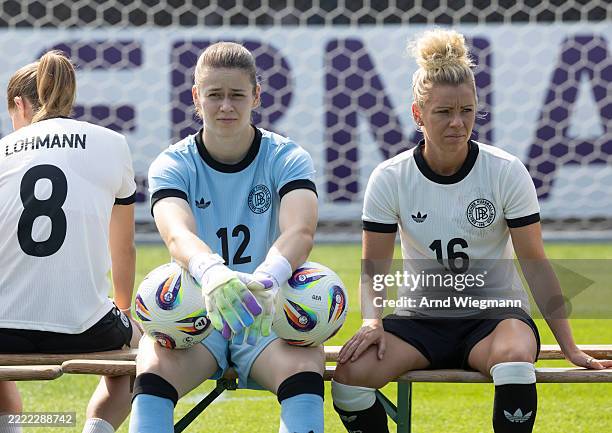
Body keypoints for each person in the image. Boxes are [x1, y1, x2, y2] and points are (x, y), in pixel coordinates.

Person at [331, 29, 612, 433]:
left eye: (467, 109)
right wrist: (373, 320)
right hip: (419, 322)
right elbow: (374, 268)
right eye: (443, 112)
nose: (458, 123)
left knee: (515, 357)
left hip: (494, 320)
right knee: (350, 377)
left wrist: (568, 346)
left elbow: (535, 263)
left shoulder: (505, 171)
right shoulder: (390, 177)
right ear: (417, 114)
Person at [129, 42, 322, 433]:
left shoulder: (287, 157)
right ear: (196, 97)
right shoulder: (173, 162)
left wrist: (267, 278)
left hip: (265, 311)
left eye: (237, 95)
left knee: (305, 366)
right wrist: (213, 273)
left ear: (257, 95)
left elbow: (300, 229)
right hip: (197, 311)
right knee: (152, 366)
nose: (226, 107)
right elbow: (176, 233)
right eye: (214, 95)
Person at [0, 51, 142, 433]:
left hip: (3, 327)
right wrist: (124, 313)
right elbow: (123, 246)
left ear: (19, 105)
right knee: (145, 349)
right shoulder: (112, 143)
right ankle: (97, 428)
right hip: (88, 327)